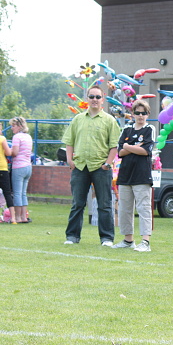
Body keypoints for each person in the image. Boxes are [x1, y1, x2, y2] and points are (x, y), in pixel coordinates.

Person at [62, 85, 121, 246]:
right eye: (91, 96)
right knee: (77, 204)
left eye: (97, 97)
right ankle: (72, 237)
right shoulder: (78, 119)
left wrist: (107, 164)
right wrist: (70, 160)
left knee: (104, 204)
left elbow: (114, 146)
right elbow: (69, 141)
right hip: (80, 167)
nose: (94, 99)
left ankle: (107, 238)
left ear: (103, 99)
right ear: (87, 99)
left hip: (101, 167)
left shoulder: (109, 120)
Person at [112, 100, 155, 251]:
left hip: (141, 175)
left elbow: (145, 151)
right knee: (124, 208)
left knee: (143, 208)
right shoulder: (126, 130)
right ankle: (128, 240)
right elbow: (120, 152)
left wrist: (128, 146)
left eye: (143, 113)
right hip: (125, 174)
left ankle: (145, 242)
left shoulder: (149, 129)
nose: (140, 116)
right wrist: (133, 147)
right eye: (137, 113)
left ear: (148, 114)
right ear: (132, 114)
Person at [9, 116, 33, 223]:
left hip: (18, 167)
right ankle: (24, 216)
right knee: (23, 193)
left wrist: (6, 151)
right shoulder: (28, 137)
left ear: (19, 126)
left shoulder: (17, 137)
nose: (12, 128)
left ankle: (18, 217)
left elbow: (15, 152)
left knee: (17, 193)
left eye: (13, 125)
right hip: (28, 166)